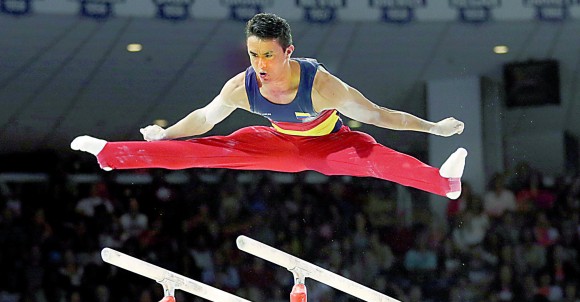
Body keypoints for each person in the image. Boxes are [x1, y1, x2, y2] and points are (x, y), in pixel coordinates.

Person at [71, 13, 467, 199]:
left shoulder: (323, 87)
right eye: (253, 54)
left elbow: (380, 115)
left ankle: (444, 183)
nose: (260, 65)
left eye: (268, 55)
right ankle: (112, 155)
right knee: (208, 151)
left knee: (377, 160)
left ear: (288, 52)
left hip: (330, 145)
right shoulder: (242, 88)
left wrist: (433, 128)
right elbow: (205, 118)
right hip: (278, 143)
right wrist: (166, 133)